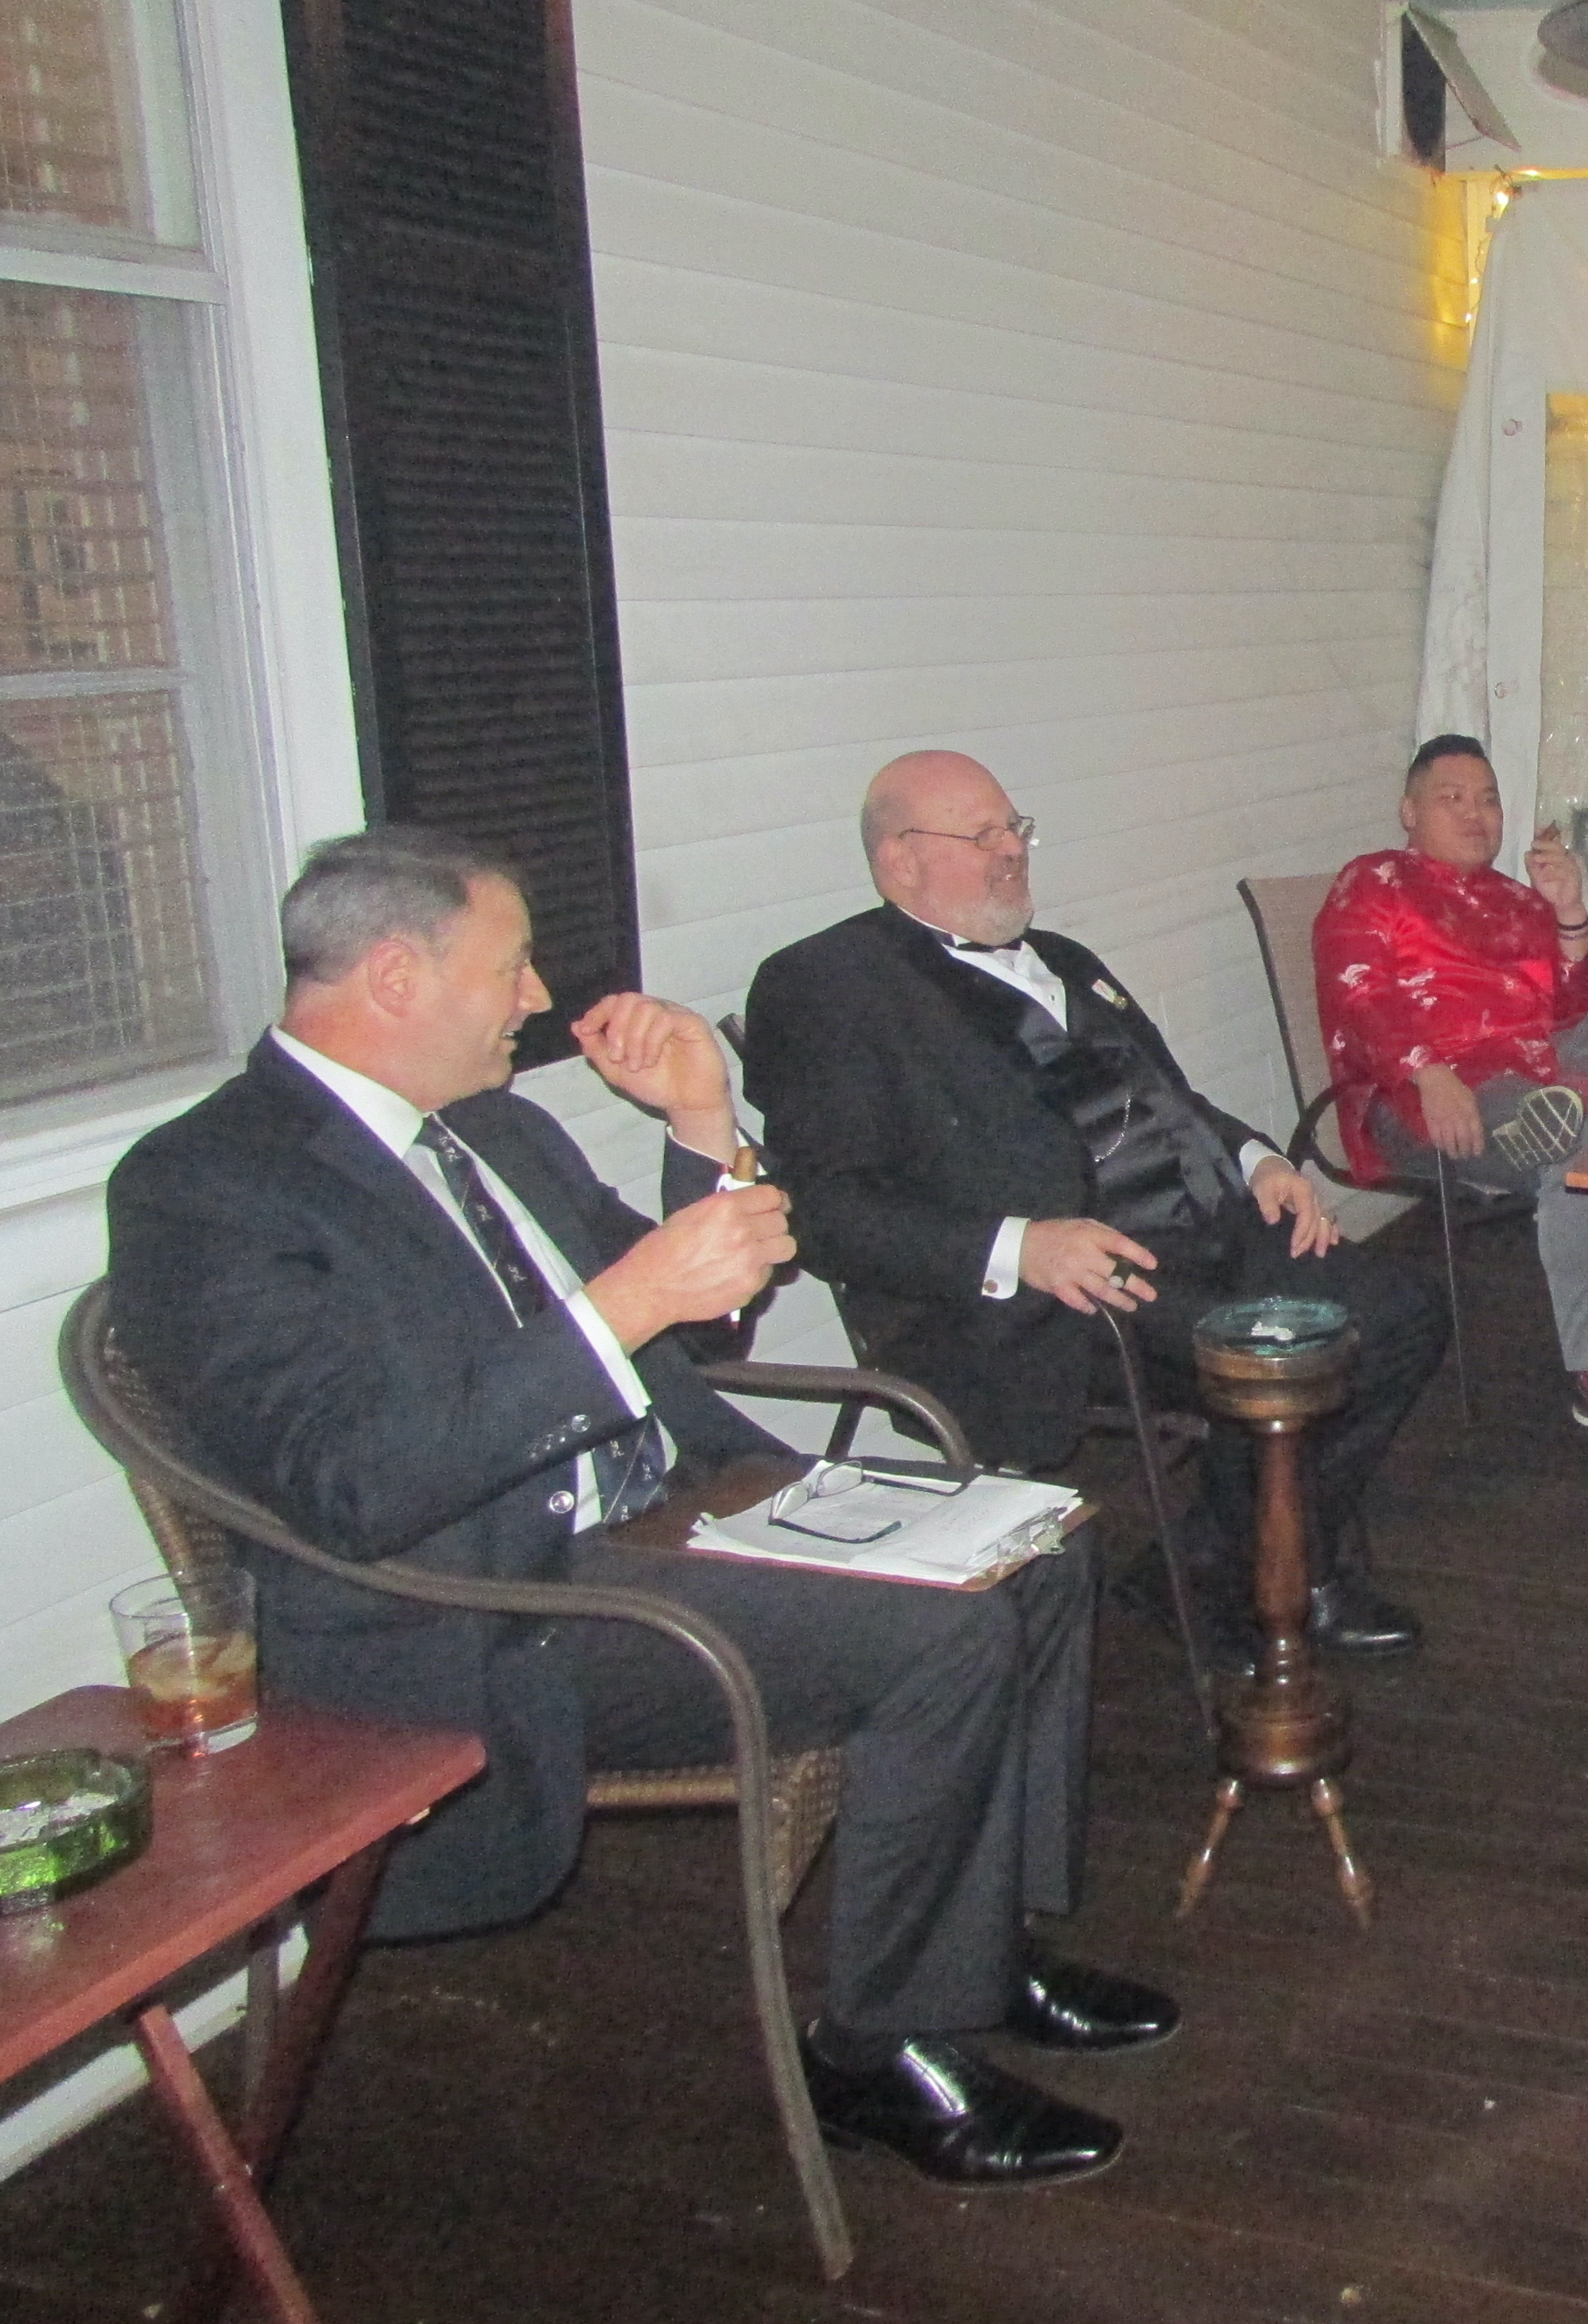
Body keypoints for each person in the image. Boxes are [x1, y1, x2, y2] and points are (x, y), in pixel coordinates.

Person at [107, 828, 1163, 2192]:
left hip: (674, 1509)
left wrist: (702, 1126)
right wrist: (628, 1301)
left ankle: (982, 1950)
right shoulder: (207, 1185)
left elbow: (702, 1321)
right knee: (943, 1638)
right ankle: (880, 2049)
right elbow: (355, 1482)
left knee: (1037, 1543)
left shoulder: (495, 1129)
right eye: (509, 966)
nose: (538, 997)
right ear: (394, 978)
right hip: (496, 1599)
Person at [742, 752, 1447, 1663]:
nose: (1011, 851)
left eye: (1014, 829)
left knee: (1401, 1312)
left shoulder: (1066, 960)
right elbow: (826, 1211)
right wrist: (1021, 1247)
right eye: (982, 836)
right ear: (900, 861)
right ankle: (1280, 1577)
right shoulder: (826, 986)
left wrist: (1260, 1160)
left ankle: (1223, 1560)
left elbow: (1169, 1098)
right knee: (1275, 1353)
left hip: (1205, 1229)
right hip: (1058, 1293)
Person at [1315, 736, 1588, 1438]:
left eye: (1488, 800)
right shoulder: (1375, 882)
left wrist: (1570, 913)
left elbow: (1582, 1016)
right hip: (1433, 1098)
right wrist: (1428, 1071)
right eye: (1452, 798)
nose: (1475, 814)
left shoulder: (1520, 903)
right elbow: (1357, 992)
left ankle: (1577, 1096)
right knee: (1585, 1145)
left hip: (1539, 1078)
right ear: (1409, 811)